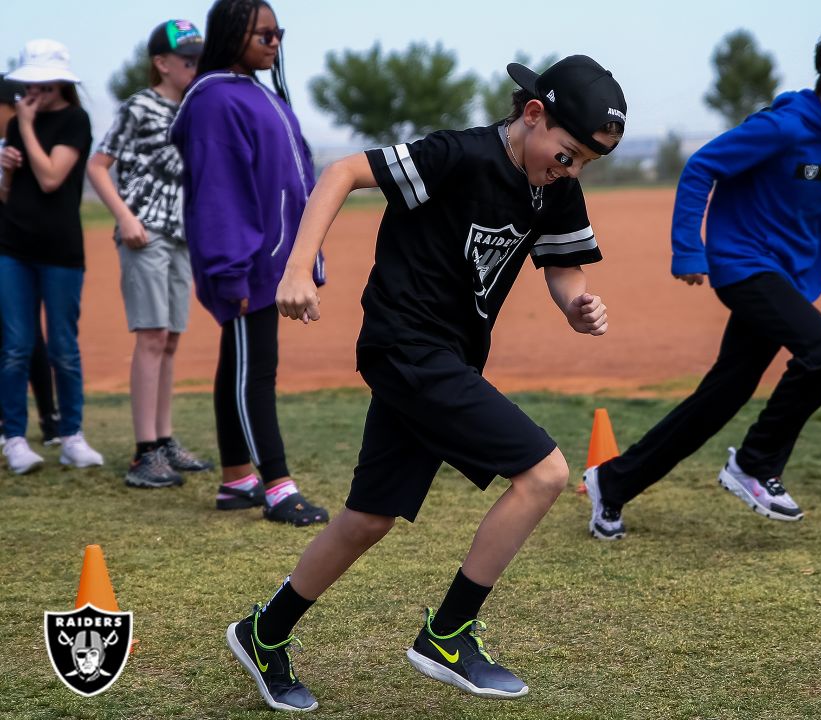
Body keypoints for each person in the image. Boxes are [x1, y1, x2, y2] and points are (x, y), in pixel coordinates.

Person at [224, 54, 624, 710]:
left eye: (585, 163)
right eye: (569, 153)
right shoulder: (457, 156)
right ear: (533, 115)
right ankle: (447, 634)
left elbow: (563, 265)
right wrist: (296, 268)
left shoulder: (555, 186)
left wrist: (576, 302)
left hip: (448, 359)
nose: (571, 169)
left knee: (367, 519)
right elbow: (343, 171)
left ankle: (263, 634)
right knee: (545, 472)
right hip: (406, 346)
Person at [583, 24, 821, 540]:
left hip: (793, 280)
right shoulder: (784, 127)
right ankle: (756, 463)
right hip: (744, 264)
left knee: (722, 396)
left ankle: (612, 482)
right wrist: (688, 250)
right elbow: (701, 168)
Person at [170, 0, 328, 524]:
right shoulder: (215, 101)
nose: (273, 41)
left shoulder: (256, 92)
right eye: (262, 34)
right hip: (245, 262)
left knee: (241, 365)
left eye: (277, 33)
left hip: (270, 260)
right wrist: (229, 268)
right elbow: (220, 194)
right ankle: (278, 486)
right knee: (254, 373)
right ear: (232, 33)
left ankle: (238, 479)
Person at [87, 19, 214, 489]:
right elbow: (98, 165)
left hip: (182, 238)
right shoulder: (139, 106)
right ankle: (144, 453)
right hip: (145, 235)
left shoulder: (197, 110)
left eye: (202, 60)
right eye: (188, 60)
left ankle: (163, 440)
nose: (196, 68)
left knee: (171, 339)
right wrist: (125, 218)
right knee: (152, 336)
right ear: (161, 63)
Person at [0, 40, 104, 475]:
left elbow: (49, 178)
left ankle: (71, 436)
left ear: (60, 80)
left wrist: (23, 126)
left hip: (60, 252)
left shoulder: (75, 120)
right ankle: (15, 439)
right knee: (16, 347)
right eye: (30, 80)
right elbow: (8, 195)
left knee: (63, 348)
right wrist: (5, 169)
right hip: (12, 249)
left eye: (42, 80)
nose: (34, 88)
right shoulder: (16, 125)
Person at [0, 75, 60, 449]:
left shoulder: (20, 144)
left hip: (17, 252)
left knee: (28, 336)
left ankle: (50, 417)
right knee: (18, 337)